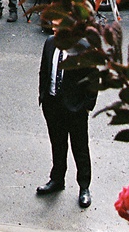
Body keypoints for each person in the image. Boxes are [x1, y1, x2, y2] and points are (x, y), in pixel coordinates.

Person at [37, 34, 98, 208]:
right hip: (52, 104)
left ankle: (84, 187)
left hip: (75, 108)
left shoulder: (84, 47)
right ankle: (57, 179)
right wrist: (43, 95)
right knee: (57, 144)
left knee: (80, 147)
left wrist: (87, 105)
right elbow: (44, 69)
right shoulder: (49, 42)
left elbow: (93, 77)